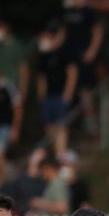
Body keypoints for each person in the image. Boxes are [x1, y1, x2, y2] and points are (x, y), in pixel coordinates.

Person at [61, 0, 103, 135]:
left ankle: (90, 120)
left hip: (84, 55)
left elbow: (98, 31)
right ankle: (82, 121)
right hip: (70, 56)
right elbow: (63, 33)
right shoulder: (67, 12)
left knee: (85, 89)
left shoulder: (87, 11)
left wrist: (92, 51)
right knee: (76, 89)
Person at [36, 21, 77, 156]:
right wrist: (41, 97)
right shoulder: (43, 56)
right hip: (48, 97)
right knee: (49, 127)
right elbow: (41, 78)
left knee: (61, 125)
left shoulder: (64, 52)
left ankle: (61, 153)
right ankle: (56, 153)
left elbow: (72, 73)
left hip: (61, 95)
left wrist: (68, 93)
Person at [0, 19, 30, 103]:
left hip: (13, 86)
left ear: (7, 29)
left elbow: (24, 69)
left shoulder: (16, 46)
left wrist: (23, 91)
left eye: (0, 28)